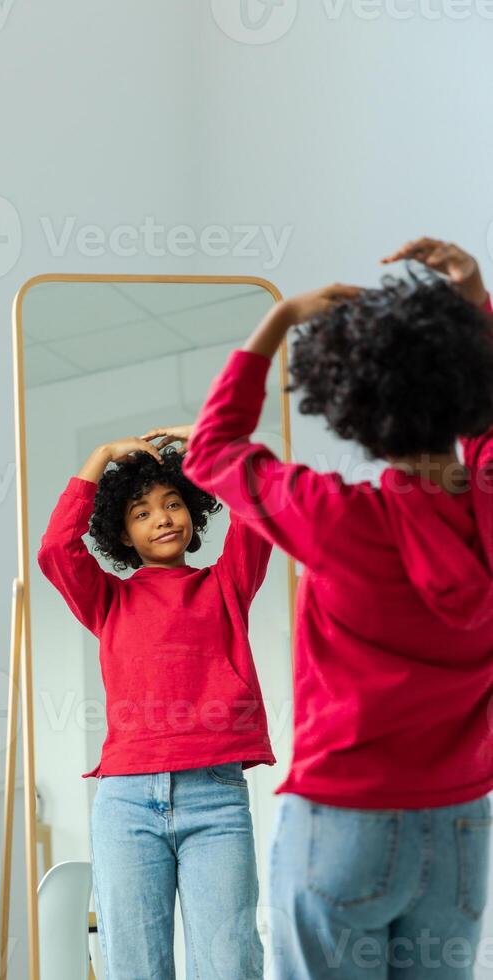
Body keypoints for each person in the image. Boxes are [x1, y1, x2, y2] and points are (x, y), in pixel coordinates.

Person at [182, 237, 493, 979]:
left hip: (340, 823)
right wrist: (476, 306)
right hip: (459, 826)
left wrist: (280, 320)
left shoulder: (330, 516)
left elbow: (211, 448)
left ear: (355, 407)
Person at [37, 429, 276, 978]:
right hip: (125, 803)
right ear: (122, 533)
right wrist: (98, 458)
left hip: (214, 799)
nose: (163, 518)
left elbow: (259, 507)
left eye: (172, 504)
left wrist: (214, 439)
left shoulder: (227, 585)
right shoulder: (107, 601)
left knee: (230, 962)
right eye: (142, 513)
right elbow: (55, 550)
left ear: (192, 512)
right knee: (136, 966)